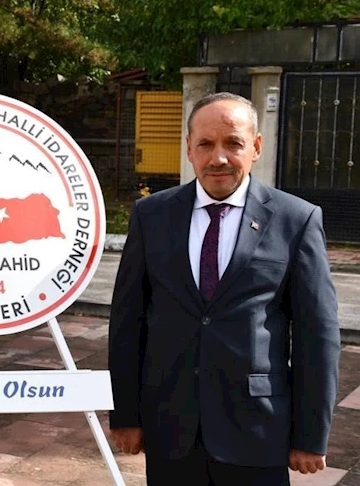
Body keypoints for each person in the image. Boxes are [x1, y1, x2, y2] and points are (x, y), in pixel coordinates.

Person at [107, 92, 340, 485]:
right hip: (170, 428)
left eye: (233, 143)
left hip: (258, 431)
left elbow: (317, 335)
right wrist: (125, 415)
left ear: (256, 147)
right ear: (189, 149)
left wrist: (310, 435)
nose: (218, 158)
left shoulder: (295, 219)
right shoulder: (151, 214)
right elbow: (127, 322)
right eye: (205, 144)